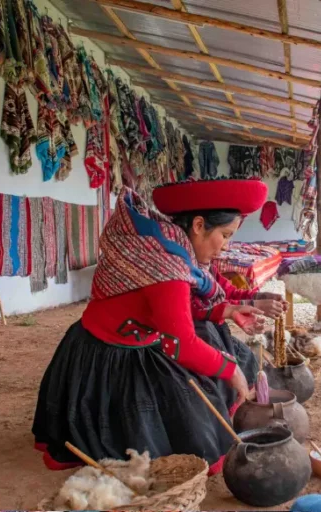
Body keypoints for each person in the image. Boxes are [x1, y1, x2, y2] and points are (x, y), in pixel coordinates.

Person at [31, 178, 272, 476]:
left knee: (222, 357)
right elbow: (181, 343)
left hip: (125, 342)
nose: (225, 247)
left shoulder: (164, 241)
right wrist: (230, 370)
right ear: (198, 225)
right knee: (196, 425)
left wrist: (230, 310)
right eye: (224, 235)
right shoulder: (165, 263)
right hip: (107, 361)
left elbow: (178, 309)